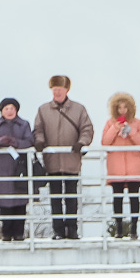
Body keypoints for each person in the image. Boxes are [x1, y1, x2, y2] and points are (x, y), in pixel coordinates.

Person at [33, 75, 92, 239]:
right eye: (54, 89)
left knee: (71, 196)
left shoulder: (79, 109)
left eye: (60, 89)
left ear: (67, 90)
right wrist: (40, 142)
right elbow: (38, 129)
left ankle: (72, 229)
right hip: (52, 161)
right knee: (56, 197)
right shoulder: (43, 110)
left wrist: (81, 143)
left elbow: (87, 128)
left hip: (72, 160)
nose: (57, 92)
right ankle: (58, 230)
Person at [0, 98, 34, 241]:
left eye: (12, 108)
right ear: (1, 111)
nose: (9, 111)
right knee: (4, 204)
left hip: (20, 168)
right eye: (6, 108)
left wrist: (16, 143)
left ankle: (19, 233)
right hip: (3, 169)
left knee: (20, 203)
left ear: (16, 110)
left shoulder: (24, 124)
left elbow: (30, 141)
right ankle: (6, 234)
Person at [102, 91, 140, 239]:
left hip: (134, 166)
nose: (122, 111)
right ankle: (119, 229)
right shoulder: (110, 123)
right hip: (116, 168)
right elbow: (105, 142)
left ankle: (134, 228)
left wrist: (131, 131)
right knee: (118, 198)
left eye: (125, 107)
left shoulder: (137, 123)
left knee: (134, 198)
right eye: (119, 107)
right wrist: (116, 128)